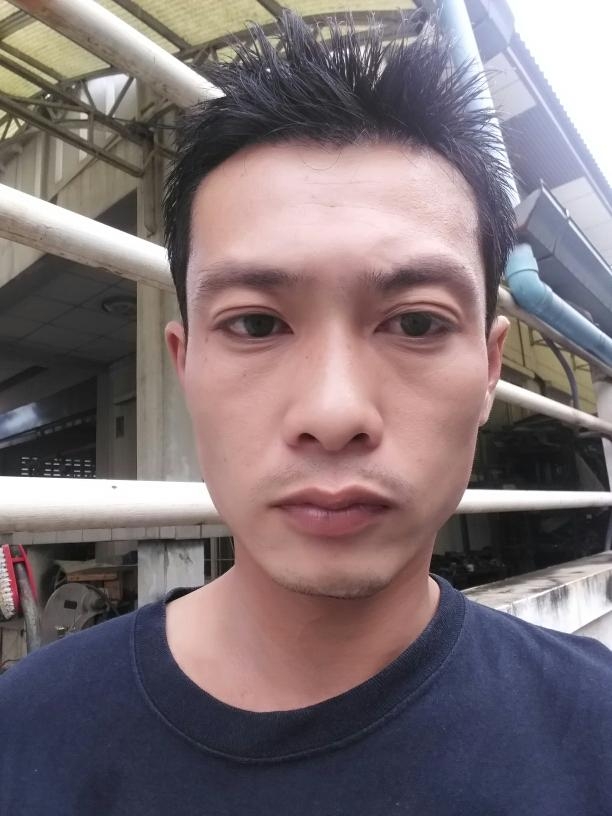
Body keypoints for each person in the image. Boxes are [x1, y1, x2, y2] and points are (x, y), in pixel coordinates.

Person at [2, 10, 611, 815]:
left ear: (490, 367)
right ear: (186, 364)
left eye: (416, 323)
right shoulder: (24, 732)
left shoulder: (597, 731)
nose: (333, 413)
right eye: (257, 324)